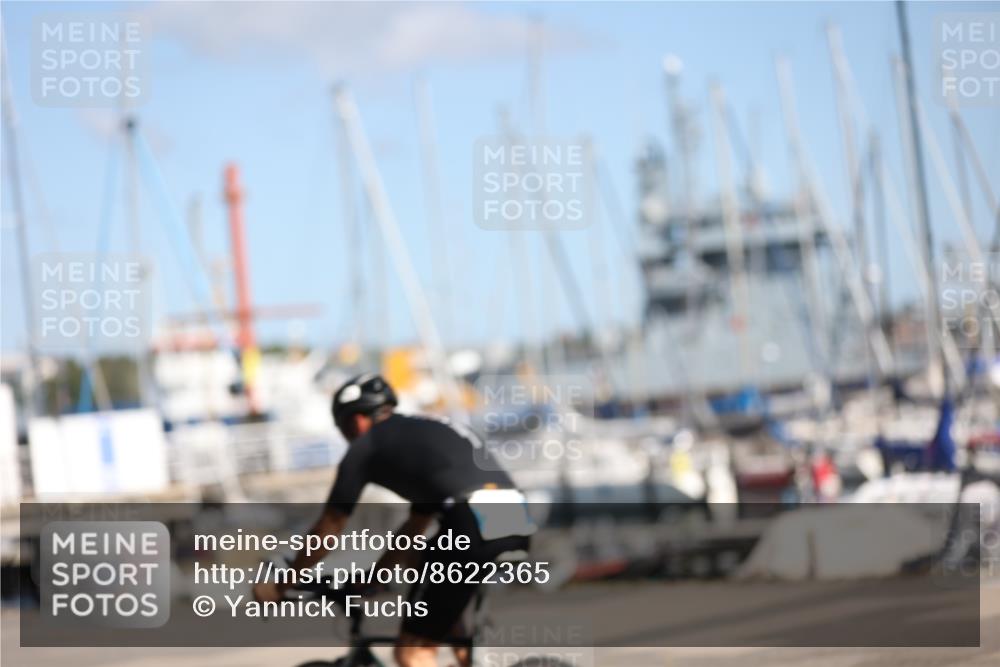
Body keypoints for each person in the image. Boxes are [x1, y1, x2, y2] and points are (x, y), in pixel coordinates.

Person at [253, 373, 531, 667]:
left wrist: (281, 586)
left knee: (412, 652)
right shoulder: (423, 429)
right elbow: (414, 528)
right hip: (512, 514)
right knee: (433, 586)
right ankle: (468, 658)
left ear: (356, 421)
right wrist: (375, 577)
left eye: (343, 428)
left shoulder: (367, 445)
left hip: (468, 522)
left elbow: (329, 528)